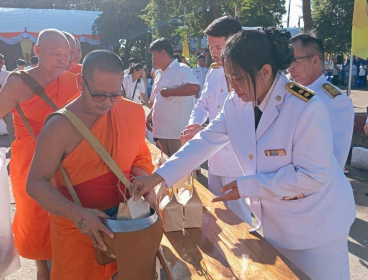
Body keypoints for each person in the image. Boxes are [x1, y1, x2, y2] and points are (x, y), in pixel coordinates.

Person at [131, 28, 356, 280]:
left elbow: (312, 176)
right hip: (274, 224)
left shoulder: (305, 107)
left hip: (316, 228)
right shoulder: (236, 102)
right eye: (228, 77)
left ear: (266, 71)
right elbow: (205, 140)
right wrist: (159, 177)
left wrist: (249, 185)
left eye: (237, 78)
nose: (232, 86)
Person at [27, 50, 155, 280]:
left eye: (115, 95)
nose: (107, 103)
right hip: (77, 228)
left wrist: (145, 182)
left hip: (126, 225)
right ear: (80, 82)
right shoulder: (59, 126)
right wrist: (77, 214)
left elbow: (140, 158)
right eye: (99, 95)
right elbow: (35, 182)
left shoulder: (132, 112)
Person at [0, 29, 79, 279]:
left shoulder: (73, 79)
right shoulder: (19, 82)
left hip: (68, 159)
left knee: (68, 215)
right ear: (37, 52)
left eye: (67, 54)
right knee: (37, 218)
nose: (63, 59)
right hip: (32, 160)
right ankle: (42, 269)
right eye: (56, 54)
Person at [180, 16, 251, 225]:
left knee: (240, 217)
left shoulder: (248, 75)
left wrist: (202, 131)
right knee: (216, 210)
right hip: (214, 156)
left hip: (237, 159)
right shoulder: (213, 72)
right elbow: (202, 104)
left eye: (218, 46)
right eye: (211, 47)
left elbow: (240, 121)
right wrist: (194, 124)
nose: (214, 52)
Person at [288, 33, 354, 169]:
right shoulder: (287, 92)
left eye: (295, 60)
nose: (290, 68)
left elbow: (334, 160)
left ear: (314, 61)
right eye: (288, 62)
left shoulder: (335, 101)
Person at [147, 38, 200, 157]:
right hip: (160, 131)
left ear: (163, 53)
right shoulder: (158, 73)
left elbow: (195, 88)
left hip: (176, 132)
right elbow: (157, 98)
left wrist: (171, 92)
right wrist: (150, 115)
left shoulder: (181, 69)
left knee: (180, 170)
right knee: (164, 168)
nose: (152, 59)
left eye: (154, 55)